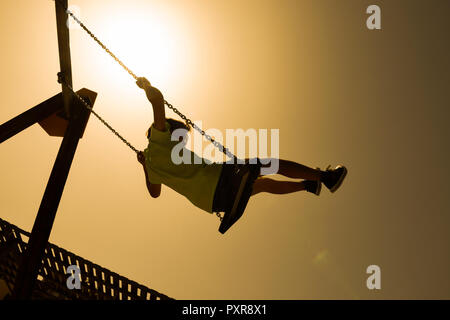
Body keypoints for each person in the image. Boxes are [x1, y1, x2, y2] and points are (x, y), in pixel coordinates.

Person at [136, 77, 347, 214]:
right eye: (181, 137)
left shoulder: (152, 165)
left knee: (263, 185)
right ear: (168, 130)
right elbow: (157, 100)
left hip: (216, 203)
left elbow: (155, 193)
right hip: (219, 180)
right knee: (268, 164)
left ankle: (307, 185)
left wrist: (144, 166)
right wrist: (146, 85)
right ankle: (325, 178)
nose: (184, 142)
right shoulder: (159, 139)